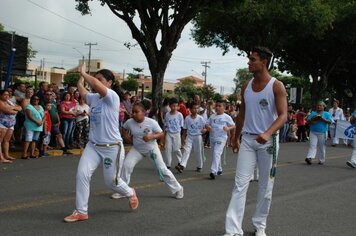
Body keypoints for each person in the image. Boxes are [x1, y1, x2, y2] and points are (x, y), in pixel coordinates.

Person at [224, 47, 287, 236]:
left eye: (252, 59)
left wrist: (268, 133)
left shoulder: (276, 85)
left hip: (268, 143)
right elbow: (242, 114)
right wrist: (236, 138)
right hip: (248, 141)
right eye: (249, 59)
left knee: (265, 186)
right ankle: (233, 230)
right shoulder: (246, 86)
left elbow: (283, 116)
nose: (249, 62)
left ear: (264, 62)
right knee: (239, 184)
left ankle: (260, 225)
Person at [64, 65, 138, 223]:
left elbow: (96, 86)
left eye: (100, 80)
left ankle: (130, 192)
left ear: (109, 83)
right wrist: (81, 79)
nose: (95, 83)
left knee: (111, 182)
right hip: (93, 145)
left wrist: (84, 73)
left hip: (112, 147)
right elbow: (83, 90)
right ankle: (81, 211)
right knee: (82, 174)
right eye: (95, 80)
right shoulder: (93, 98)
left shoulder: (112, 97)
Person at [117, 102, 183, 199]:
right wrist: (127, 138)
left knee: (162, 170)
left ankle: (178, 189)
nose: (134, 114)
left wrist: (152, 136)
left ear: (143, 112)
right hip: (137, 149)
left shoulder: (151, 122)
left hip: (151, 149)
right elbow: (124, 128)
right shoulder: (130, 122)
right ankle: (123, 190)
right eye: (133, 112)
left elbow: (161, 133)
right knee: (126, 166)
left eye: (136, 112)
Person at [206, 100, 235, 180]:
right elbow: (207, 124)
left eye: (220, 106)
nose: (217, 107)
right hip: (212, 137)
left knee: (216, 153)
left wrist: (228, 128)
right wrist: (208, 127)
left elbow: (233, 125)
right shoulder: (212, 116)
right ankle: (219, 169)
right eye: (217, 106)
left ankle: (213, 171)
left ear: (224, 108)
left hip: (221, 138)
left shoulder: (227, 117)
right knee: (214, 154)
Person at [175, 102, 207, 173]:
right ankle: (182, 165)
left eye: (197, 108)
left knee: (197, 151)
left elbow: (206, 126)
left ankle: (199, 165)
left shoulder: (201, 118)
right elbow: (185, 129)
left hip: (198, 136)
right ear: (190, 109)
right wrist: (183, 138)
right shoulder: (187, 118)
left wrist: (205, 130)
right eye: (194, 108)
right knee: (186, 150)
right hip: (189, 136)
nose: (195, 110)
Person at [0, 90, 22, 163]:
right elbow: (7, 110)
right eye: (4, 95)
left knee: (7, 140)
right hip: (2, 123)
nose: (7, 96)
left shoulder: (9, 102)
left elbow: (20, 108)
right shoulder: (0, 102)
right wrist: (14, 109)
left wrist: (12, 108)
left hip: (11, 123)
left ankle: (6, 155)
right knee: (0, 141)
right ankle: (1, 158)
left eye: (8, 95)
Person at [162, 97, 184, 169]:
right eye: (173, 106)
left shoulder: (180, 115)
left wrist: (182, 137)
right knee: (168, 148)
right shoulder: (167, 114)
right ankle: (168, 164)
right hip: (169, 133)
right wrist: (163, 136)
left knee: (176, 148)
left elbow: (181, 125)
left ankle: (181, 162)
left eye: (176, 106)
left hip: (177, 133)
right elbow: (165, 125)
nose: (175, 107)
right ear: (170, 106)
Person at [23, 95, 45, 159]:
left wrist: (41, 122)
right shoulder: (29, 107)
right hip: (30, 125)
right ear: (31, 100)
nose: (36, 100)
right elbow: (29, 116)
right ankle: (24, 154)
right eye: (34, 99)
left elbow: (44, 116)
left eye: (37, 99)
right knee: (28, 140)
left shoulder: (40, 107)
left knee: (34, 140)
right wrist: (37, 122)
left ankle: (32, 153)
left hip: (39, 126)